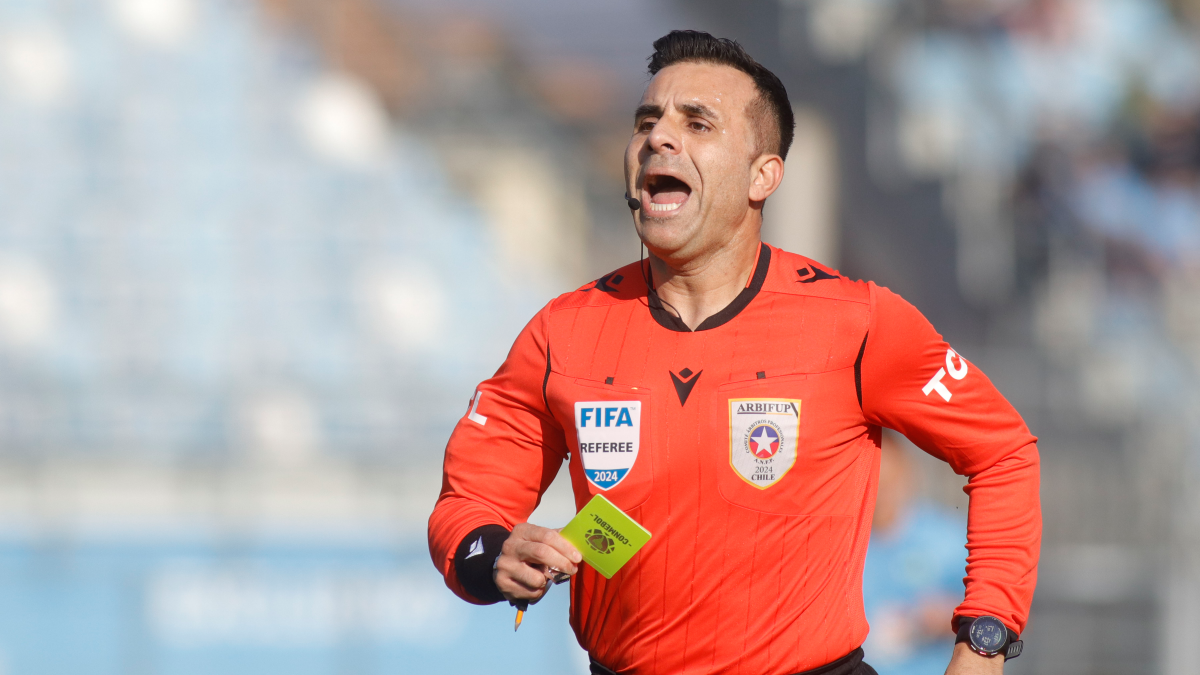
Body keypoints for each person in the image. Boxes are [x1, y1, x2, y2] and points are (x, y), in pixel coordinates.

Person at [428, 30, 1040, 675]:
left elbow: (1003, 452)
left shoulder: (857, 321)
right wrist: (489, 554)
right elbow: (468, 503)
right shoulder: (564, 332)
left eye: (697, 123)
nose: (660, 138)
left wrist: (984, 642)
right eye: (647, 121)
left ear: (762, 175)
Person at [862, 431, 968, 675]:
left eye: (887, 483)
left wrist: (945, 618)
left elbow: (1003, 617)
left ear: (906, 473)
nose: (880, 495)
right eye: (871, 484)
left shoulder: (948, 538)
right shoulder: (840, 544)